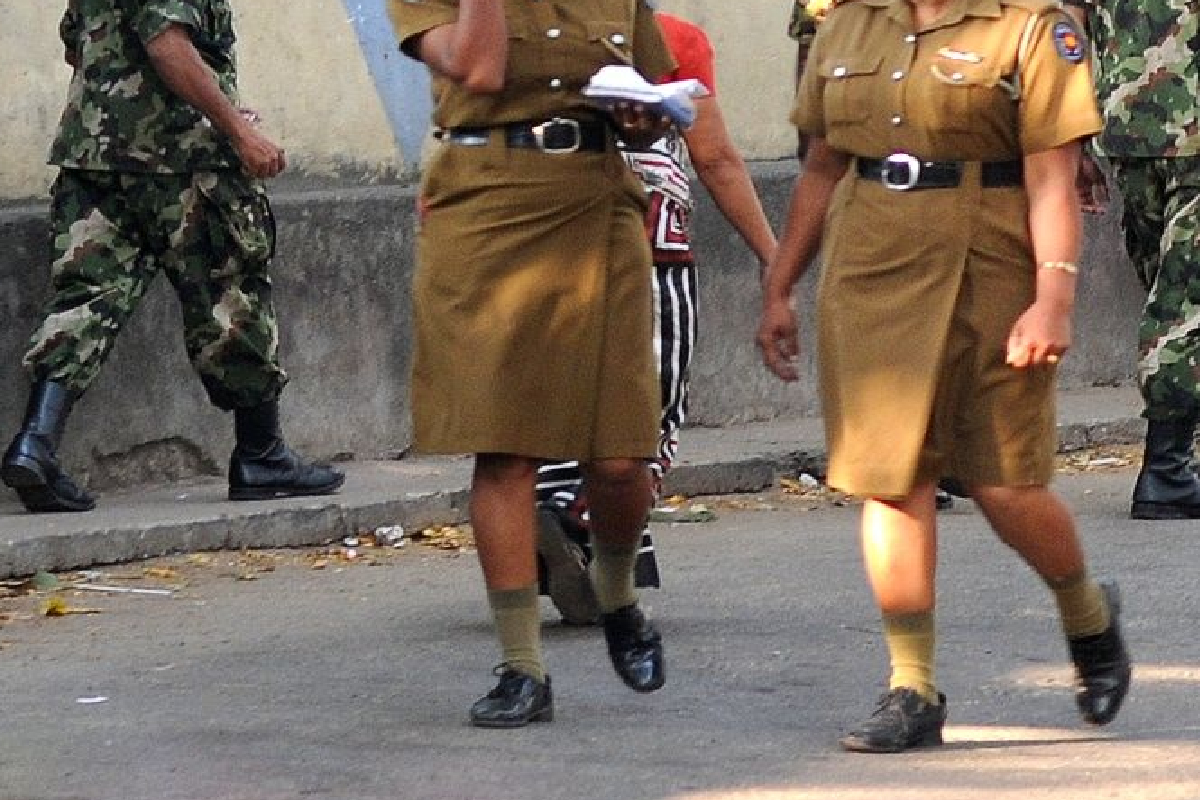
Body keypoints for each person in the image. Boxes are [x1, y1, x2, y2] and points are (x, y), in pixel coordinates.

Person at [757, 0, 1131, 753]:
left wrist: (1053, 301)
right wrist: (779, 286)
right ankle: (911, 686)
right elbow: (821, 168)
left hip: (989, 259)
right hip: (871, 263)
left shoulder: (1030, 26)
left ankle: (1087, 616)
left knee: (1004, 485)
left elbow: (1052, 180)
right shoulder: (846, 23)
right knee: (891, 476)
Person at [388, 0, 675, 728]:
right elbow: (481, 69)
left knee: (619, 457)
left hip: (596, 204)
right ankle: (521, 666)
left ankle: (616, 595)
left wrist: (646, 117)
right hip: (485, 204)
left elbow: (654, 89)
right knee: (506, 449)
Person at [1, 0, 344, 514]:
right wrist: (237, 128)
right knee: (231, 294)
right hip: (181, 161)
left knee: (87, 298)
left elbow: (80, 48)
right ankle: (261, 452)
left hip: (94, 156)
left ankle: (36, 442)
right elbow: (167, 44)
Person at [533, 11, 779, 626]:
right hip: (652, 252)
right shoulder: (676, 38)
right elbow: (716, 157)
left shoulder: (533, 33)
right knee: (652, 411)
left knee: (558, 402)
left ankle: (561, 526)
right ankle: (578, 521)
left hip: (548, 244)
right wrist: (772, 257)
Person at [1064, 0, 1200, 520]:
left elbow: (1070, 25)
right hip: (1181, 128)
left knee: (1170, 295)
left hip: (1128, 128)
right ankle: (1165, 472)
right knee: (1182, 307)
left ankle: (1174, 455)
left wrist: (1075, 132)